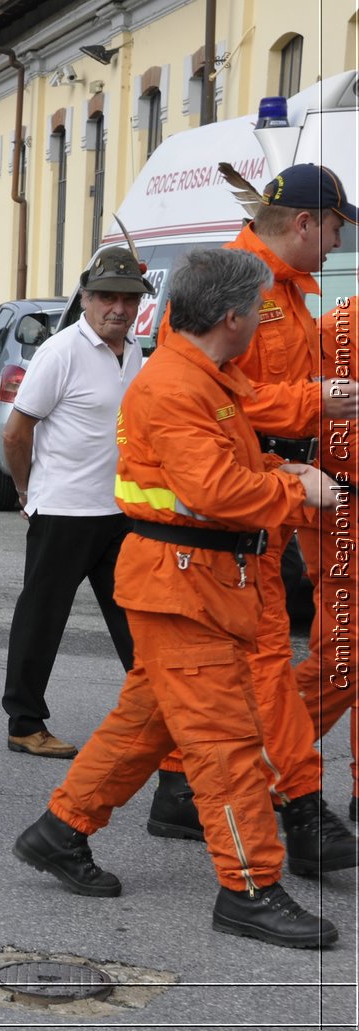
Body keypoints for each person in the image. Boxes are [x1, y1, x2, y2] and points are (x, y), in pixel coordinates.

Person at [12, 248, 343, 949]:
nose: (262, 322)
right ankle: (249, 886)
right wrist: (294, 487)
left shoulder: (202, 376)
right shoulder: (176, 385)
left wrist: (283, 467)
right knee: (225, 746)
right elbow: (214, 491)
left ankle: (61, 829)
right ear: (231, 316)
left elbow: (228, 467)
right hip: (184, 586)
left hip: (197, 584)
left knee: (146, 725)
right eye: (257, 311)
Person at [145, 164, 359, 847]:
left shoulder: (289, 293)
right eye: (333, 229)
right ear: (303, 223)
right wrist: (311, 404)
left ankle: (175, 785)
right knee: (257, 654)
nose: (336, 244)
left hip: (275, 486)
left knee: (199, 669)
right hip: (234, 497)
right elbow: (207, 387)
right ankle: (295, 803)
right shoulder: (231, 286)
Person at [0, 250, 148, 758]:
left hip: (121, 511)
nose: (119, 309)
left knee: (138, 619)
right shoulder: (61, 351)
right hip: (63, 510)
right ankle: (24, 722)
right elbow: (16, 432)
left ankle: (160, 711)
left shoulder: (136, 352)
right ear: (86, 298)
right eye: (108, 297)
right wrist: (26, 490)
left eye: (129, 299)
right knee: (43, 616)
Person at [293, 301, 359, 821]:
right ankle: (266, 763)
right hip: (342, 506)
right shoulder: (334, 327)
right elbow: (307, 414)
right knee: (343, 656)